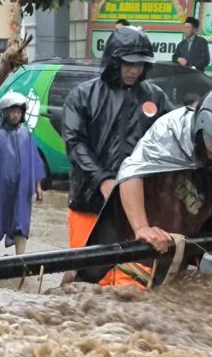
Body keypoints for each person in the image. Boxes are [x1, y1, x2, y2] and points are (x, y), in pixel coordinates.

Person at [84, 88, 212, 281]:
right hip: (131, 222)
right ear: (202, 128)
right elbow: (131, 173)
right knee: (83, 275)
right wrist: (141, 228)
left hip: (181, 237)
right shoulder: (169, 130)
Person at [61, 26, 170, 250]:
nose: (135, 70)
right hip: (89, 203)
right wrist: (102, 179)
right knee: (84, 273)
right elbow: (74, 144)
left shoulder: (155, 97)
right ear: (114, 61)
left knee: (129, 278)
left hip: (138, 209)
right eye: (129, 63)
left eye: (140, 64)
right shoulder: (82, 96)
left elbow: (171, 141)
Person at [0, 91, 45, 256]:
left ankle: (20, 260)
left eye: (18, 112)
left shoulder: (26, 134)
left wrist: (38, 185)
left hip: (20, 191)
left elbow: (34, 161)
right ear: (4, 112)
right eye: (12, 112)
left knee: (21, 222)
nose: (15, 116)